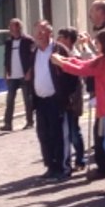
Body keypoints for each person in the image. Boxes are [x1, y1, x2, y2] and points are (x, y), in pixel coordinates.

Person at [55, 31, 105, 196]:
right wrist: (65, 60)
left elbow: (83, 69)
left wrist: (62, 63)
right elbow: (85, 63)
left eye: (97, 44)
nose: (96, 47)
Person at [29, 21, 70, 181]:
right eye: (37, 32)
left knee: (58, 134)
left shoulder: (59, 50)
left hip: (56, 100)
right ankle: (50, 166)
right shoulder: (34, 52)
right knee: (44, 135)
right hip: (40, 101)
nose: (39, 35)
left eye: (42, 31)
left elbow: (70, 73)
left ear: (50, 34)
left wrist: (66, 95)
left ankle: (61, 167)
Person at [55, 28, 85, 173]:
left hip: (72, 100)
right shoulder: (62, 53)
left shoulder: (74, 55)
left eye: (60, 37)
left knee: (74, 132)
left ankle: (80, 159)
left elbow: (74, 82)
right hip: (66, 99)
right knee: (68, 131)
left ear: (67, 39)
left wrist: (71, 100)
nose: (57, 39)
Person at [0, 18, 36, 131]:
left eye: (12, 27)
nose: (10, 29)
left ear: (18, 27)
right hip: (12, 76)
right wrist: (6, 72)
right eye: (9, 27)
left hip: (24, 74)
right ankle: (8, 123)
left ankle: (29, 121)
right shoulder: (8, 42)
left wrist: (30, 71)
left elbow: (33, 58)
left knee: (27, 99)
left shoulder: (28, 40)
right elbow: (6, 58)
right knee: (9, 99)